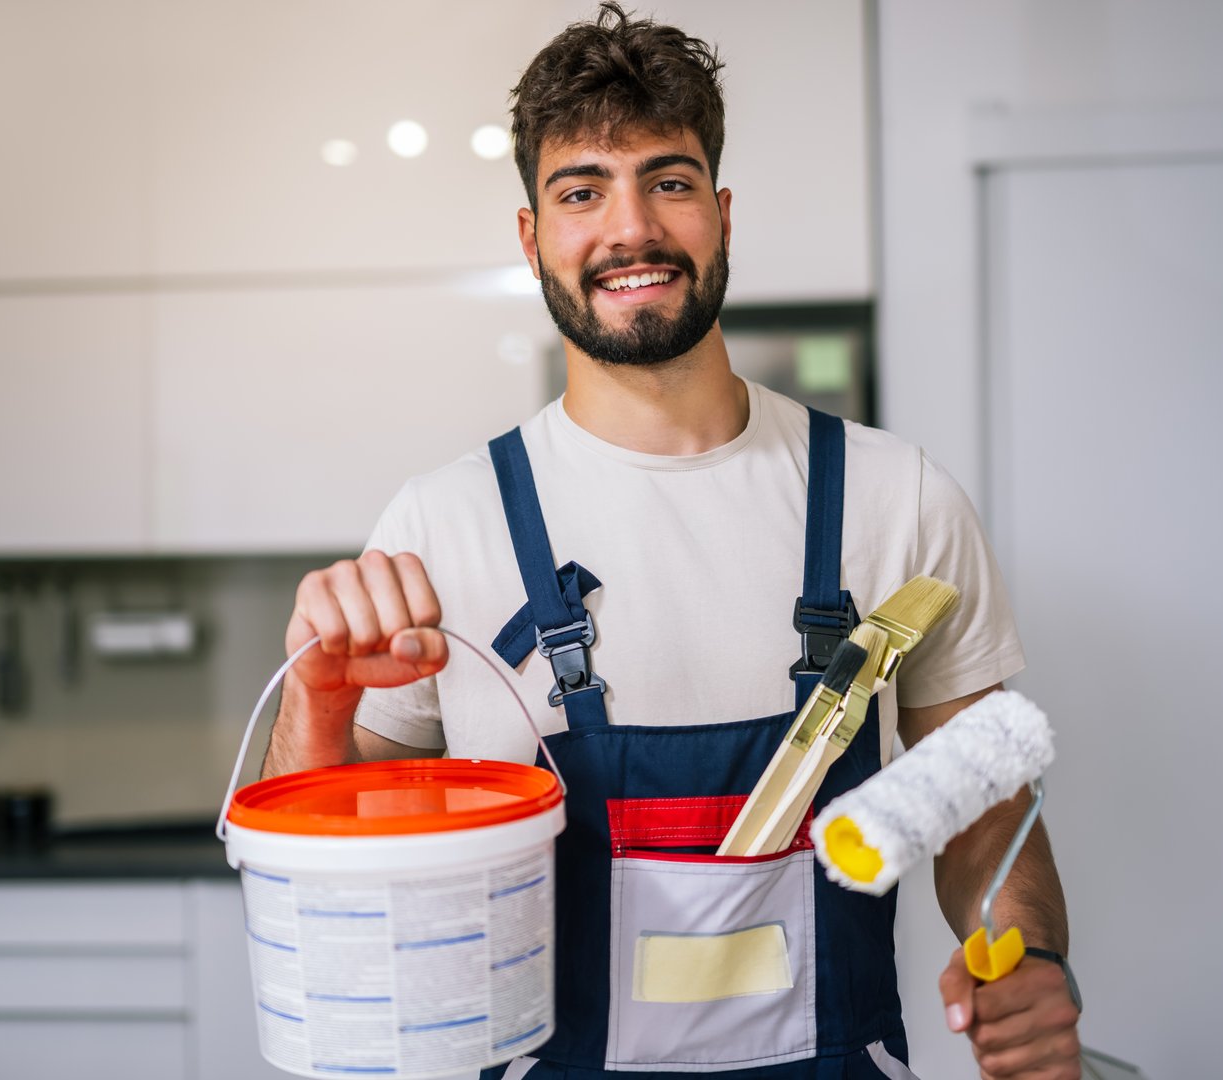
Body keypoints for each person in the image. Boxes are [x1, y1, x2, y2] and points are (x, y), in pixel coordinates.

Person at [261, 5, 1081, 1079]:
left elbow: (981, 807)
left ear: (722, 214)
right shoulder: (440, 527)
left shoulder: (895, 496)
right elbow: (326, 883)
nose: (631, 227)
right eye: (581, 190)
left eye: (670, 180)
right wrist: (314, 702)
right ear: (531, 238)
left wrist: (1029, 960)